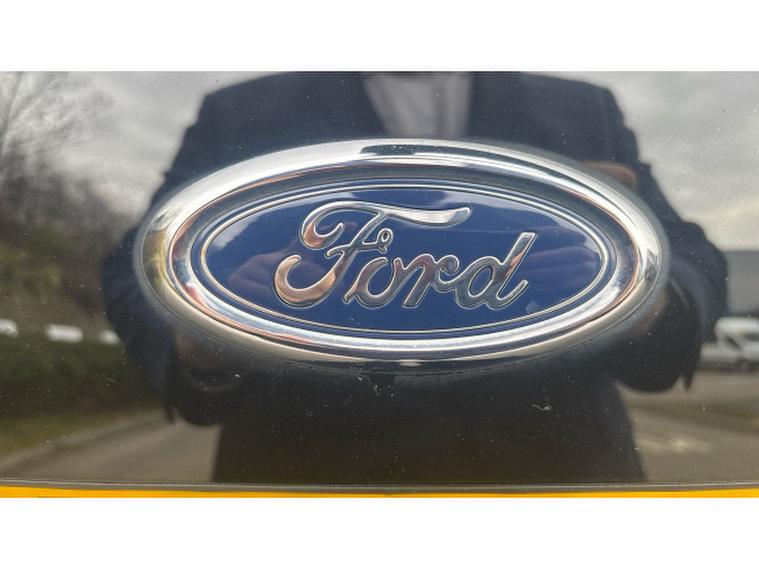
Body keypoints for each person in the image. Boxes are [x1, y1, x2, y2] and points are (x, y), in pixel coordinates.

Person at [102, 72, 727, 484]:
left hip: (557, 478)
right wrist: (200, 334)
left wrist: (637, 298)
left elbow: (690, 257)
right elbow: (142, 263)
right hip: (300, 482)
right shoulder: (239, 112)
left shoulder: (583, 108)